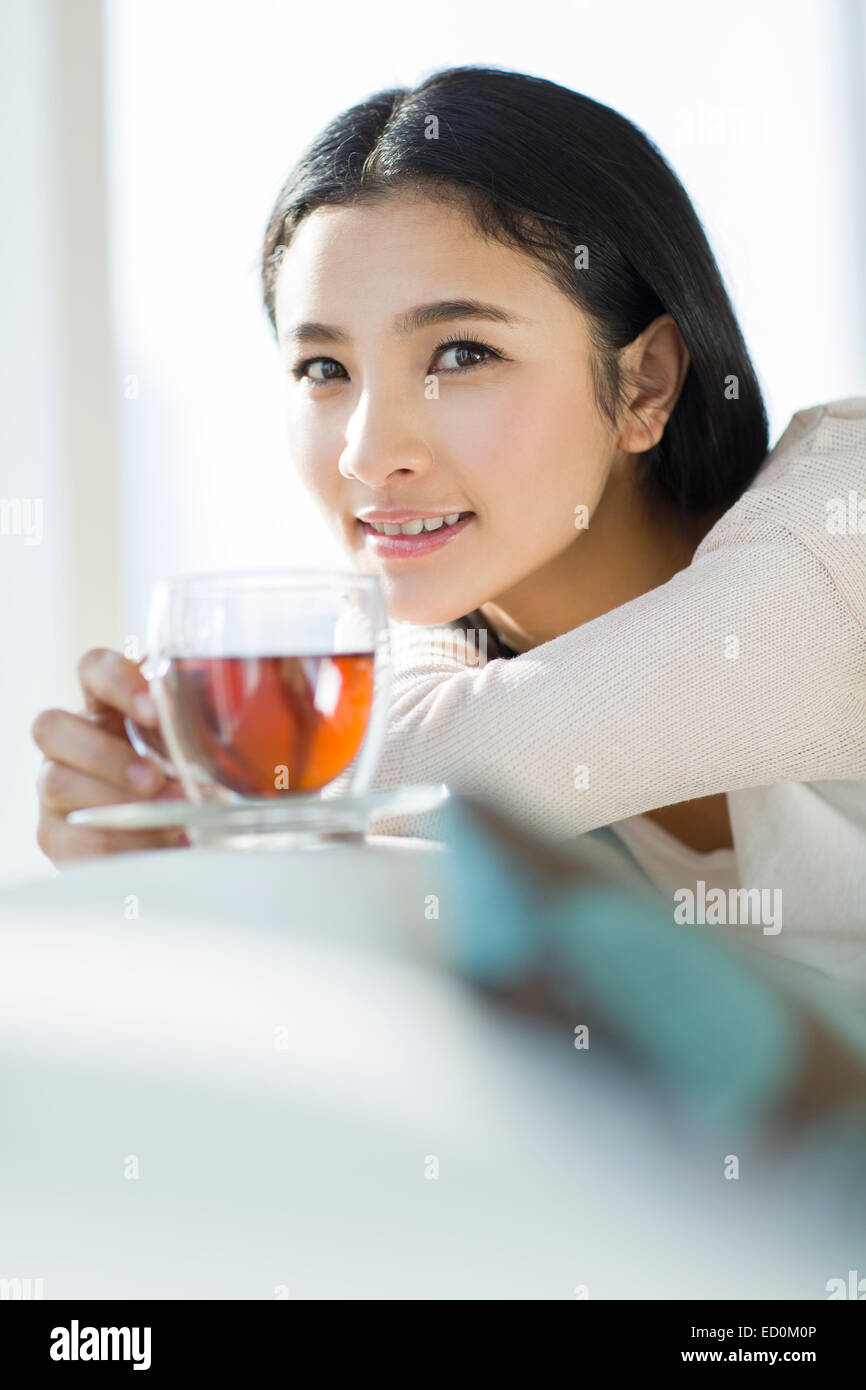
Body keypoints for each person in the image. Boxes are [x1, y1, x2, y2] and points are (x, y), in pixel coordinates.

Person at [32, 66, 866, 969]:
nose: (366, 452)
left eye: (462, 354)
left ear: (645, 381)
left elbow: (470, 755)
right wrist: (177, 865)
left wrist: (204, 793)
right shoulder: (445, 728)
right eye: (323, 369)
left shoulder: (837, 523)